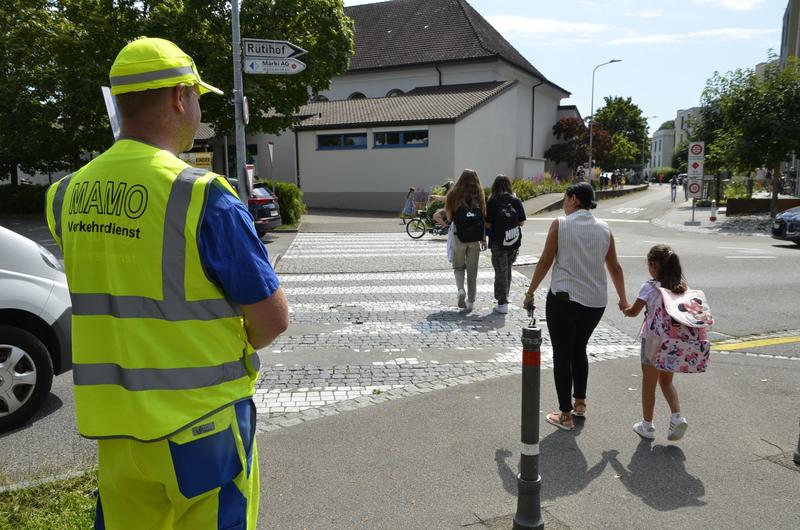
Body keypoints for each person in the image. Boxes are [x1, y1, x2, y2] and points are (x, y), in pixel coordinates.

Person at [45, 37, 289, 530]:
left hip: (116, 434)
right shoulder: (202, 196)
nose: (198, 106)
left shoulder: (64, 195)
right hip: (204, 427)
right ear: (180, 97)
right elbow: (271, 319)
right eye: (198, 95)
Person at [521, 182, 628, 431]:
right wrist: (623, 300)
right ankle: (580, 403)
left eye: (565, 198)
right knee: (579, 348)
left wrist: (530, 291)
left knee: (562, 354)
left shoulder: (561, 224)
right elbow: (615, 267)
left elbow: (546, 260)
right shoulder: (604, 229)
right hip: (595, 303)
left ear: (574, 199)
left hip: (563, 300)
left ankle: (565, 415)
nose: (563, 203)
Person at [621, 244, 689, 442]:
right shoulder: (680, 287)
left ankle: (647, 425)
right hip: (674, 341)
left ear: (653, 265)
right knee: (667, 381)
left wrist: (624, 307)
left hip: (652, 341)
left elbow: (633, 312)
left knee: (649, 384)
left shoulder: (649, 287)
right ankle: (677, 416)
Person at [446, 169, 487, 312]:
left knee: (458, 266)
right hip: (475, 238)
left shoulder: (453, 194)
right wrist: (483, 238)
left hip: (459, 236)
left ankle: (460, 290)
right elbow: (483, 218)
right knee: (472, 271)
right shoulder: (479, 194)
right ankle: (470, 302)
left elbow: (450, 218)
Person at [486, 175, 526, 314]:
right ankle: (505, 298)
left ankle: (502, 302)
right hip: (513, 242)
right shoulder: (515, 200)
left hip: (498, 242)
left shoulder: (492, 201)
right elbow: (521, 222)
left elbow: (488, 223)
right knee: (508, 269)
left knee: (500, 270)